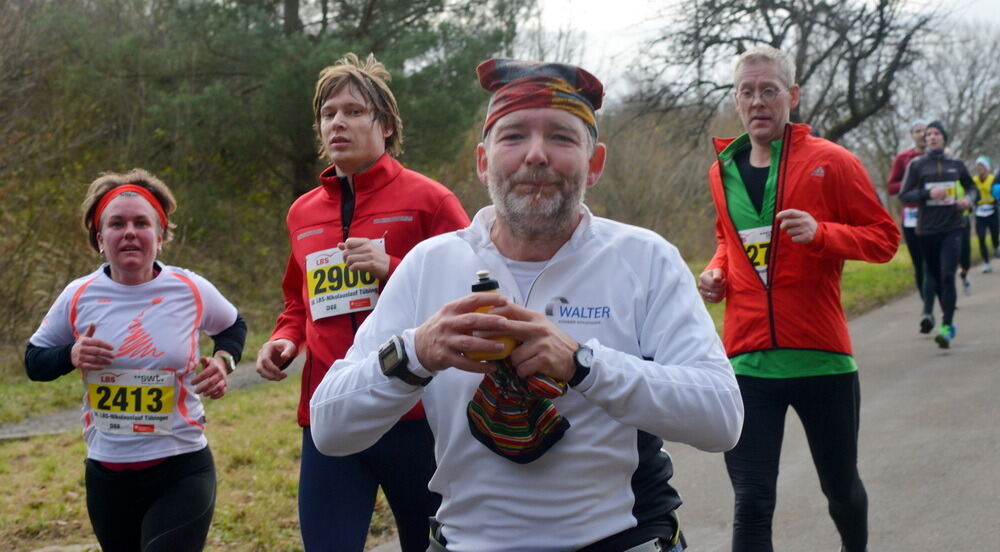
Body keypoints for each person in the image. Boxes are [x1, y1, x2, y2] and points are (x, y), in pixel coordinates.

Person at [309, 58, 744, 552]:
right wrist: (416, 352)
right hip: (467, 541)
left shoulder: (645, 259)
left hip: (622, 538)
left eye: (561, 137)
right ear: (483, 160)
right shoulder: (428, 265)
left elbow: (722, 418)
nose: (536, 155)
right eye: (513, 136)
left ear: (594, 163)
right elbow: (329, 428)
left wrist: (584, 365)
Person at [254, 52, 470, 551]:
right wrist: (283, 339)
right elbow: (297, 300)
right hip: (330, 415)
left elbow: (472, 296)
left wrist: (392, 267)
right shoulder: (302, 213)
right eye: (329, 114)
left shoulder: (430, 200)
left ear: (387, 126)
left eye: (353, 111)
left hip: (417, 417)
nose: (338, 123)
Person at [698, 45, 899, 552]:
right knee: (752, 499)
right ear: (736, 100)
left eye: (769, 90)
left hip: (821, 359)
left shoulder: (831, 162)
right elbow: (729, 237)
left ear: (792, 95)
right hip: (747, 362)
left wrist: (823, 234)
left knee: (840, 489)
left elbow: (884, 237)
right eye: (748, 92)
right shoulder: (721, 170)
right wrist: (717, 270)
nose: (758, 101)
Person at [25, 169, 246, 552]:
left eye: (142, 223)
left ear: (160, 237)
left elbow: (232, 326)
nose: (129, 232)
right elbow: (34, 360)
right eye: (117, 224)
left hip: (181, 468)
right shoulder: (78, 295)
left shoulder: (189, 288)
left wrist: (223, 360)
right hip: (107, 476)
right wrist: (71, 354)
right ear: (100, 238)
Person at [900, 120, 977, 348]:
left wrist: (968, 201)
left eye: (937, 134)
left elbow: (972, 188)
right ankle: (946, 319)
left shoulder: (957, 164)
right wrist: (927, 192)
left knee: (946, 275)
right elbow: (905, 195)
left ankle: (947, 325)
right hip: (927, 231)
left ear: (944, 138)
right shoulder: (917, 165)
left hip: (953, 228)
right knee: (934, 279)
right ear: (926, 140)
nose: (932, 137)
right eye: (929, 134)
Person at [888, 119, 938, 330]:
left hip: (934, 215)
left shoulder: (936, 157)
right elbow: (892, 187)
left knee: (929, 263)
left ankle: (928, 310)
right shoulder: (903, 158)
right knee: (919, 264)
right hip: (910, 215)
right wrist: (914, 184)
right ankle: (926, 300)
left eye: (924, 131)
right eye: (917, 131)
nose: (921, 134)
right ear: (912, 135)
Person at [971, 156, 997, 273]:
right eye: (978, 166)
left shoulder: (993, 179)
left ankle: (997, 247)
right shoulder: (974, 180)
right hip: (980, 212)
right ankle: (986, 263)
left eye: (982, 165)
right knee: (981, 237)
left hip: (993, 210)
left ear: (987, 167)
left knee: (995, 237)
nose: (980, 168)